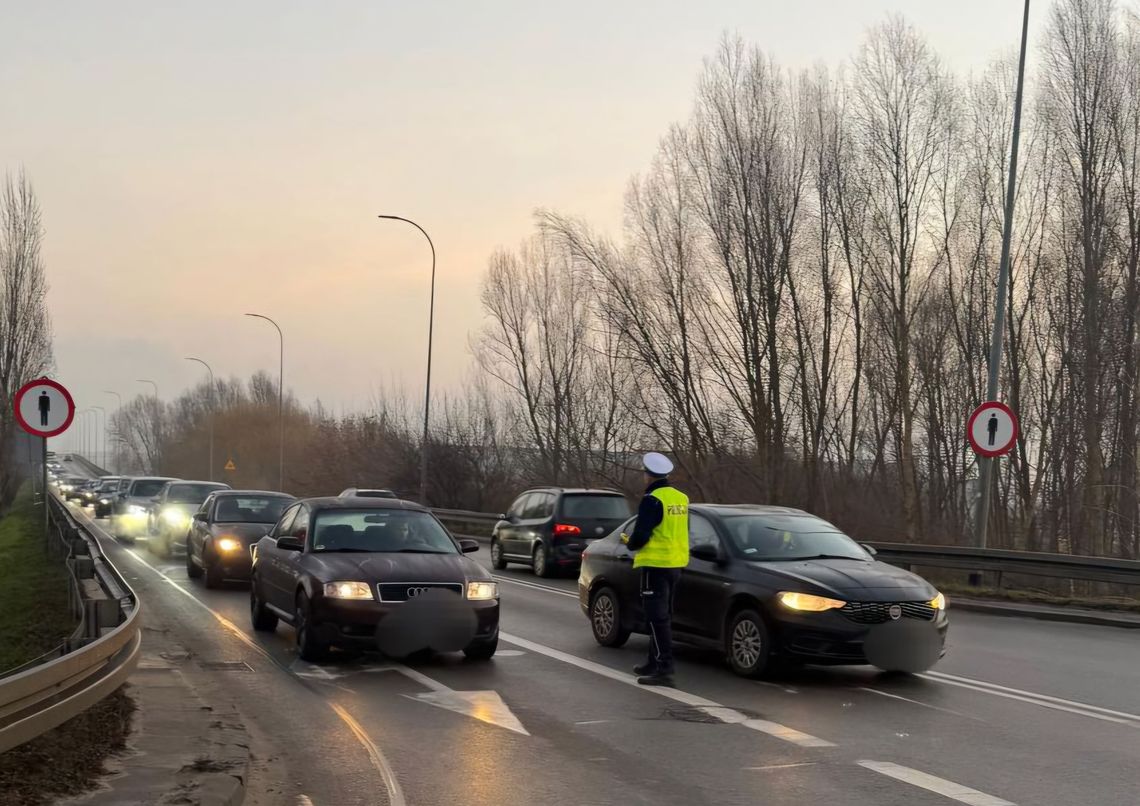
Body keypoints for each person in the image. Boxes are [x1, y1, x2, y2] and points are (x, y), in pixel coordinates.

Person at [622, 451, 689, 686]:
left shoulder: (652, 499)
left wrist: (630, 543)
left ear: (647, 475)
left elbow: (641, 535)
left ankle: (663, 667)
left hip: (655, 564)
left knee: (655, 618)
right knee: (663, 616)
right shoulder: (680, 498)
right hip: (676, 564)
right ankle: (653, 661)